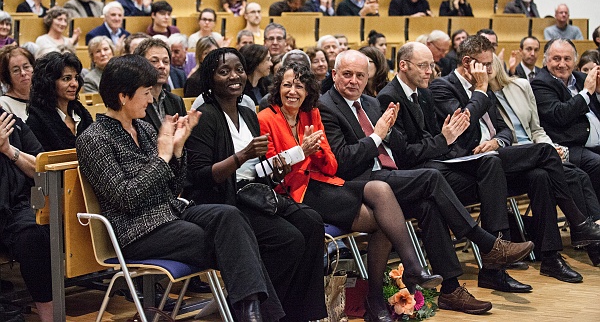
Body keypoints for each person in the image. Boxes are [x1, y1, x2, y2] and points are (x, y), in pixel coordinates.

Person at [76, 54, 281, 322]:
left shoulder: (145, 129)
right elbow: (126, 197)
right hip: (136, 231)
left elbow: (173, 188)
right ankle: (257, 316)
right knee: (233, 241)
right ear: (123, 96)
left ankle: (251, 313)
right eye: (146, 93)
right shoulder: (94, 139)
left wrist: (178, 149)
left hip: (171, 213)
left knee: (230, 216)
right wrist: (163, 157)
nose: (151, 100)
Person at [259, 60, 443, 320]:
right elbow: (271, 172)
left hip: (324, 183)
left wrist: (316, 151)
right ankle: (381, 294)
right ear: (278, 88)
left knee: (380, 190)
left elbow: (331, 165)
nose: (293, 91)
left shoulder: (311, 114)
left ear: (307, 91)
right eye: (287, 85)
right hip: (294, 192)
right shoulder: (266, 118)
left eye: (299, 86)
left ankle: (401, 277)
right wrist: (302, 151)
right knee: (383, 220)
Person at [430, 35, 600, 283]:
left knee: (540, 175)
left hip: (493, 156)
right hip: (465, 162)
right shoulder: (443, 87)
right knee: (545, 151)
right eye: (485, 64)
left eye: (491, 63)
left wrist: (497, 141)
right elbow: (463, 125)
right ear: (467, 62)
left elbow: (504, 129)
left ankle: (550, 257)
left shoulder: (484, 88)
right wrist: (481, 90)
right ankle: (579, 222)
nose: (490, 69)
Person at [377, 42, 538, 292]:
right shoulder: (389, 97)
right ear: (403, 66)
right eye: (423, 66)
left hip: (436, 165)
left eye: (431, 65)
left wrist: (447, 141)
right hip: (415, 174)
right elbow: (405, 154)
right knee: (438, 194)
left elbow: (436, 138)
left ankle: (495, 262)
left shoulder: (424, 93)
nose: (430, 71)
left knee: (491, 165)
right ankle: (490, 250)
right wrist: (444, 140)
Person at [184, 48, 326, 321]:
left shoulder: (248, 113)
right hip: (223, 200)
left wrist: (278, 170)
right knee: (288, 239)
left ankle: (300, 313)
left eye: (238, 70)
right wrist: (242, 155)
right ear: (210, 78)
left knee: (311, 221)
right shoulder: (205, 117)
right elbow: (200, 176)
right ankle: (261, 310)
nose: (234, 76)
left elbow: (257, 170)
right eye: (224, 71)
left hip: (255, 193)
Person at [489, 52, 600, 266]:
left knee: (577, 175)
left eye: (488, 63)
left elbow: (536, 129)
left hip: (539, 153)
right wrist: (546, 151)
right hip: (514, 156)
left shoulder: (520, 86)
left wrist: (550, 147)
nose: (485, 68)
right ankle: (587, 236)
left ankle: (589, 235)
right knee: (570, 174)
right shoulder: (482, 97)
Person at [532, 39, 600, 208]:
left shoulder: (581, 78)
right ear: (546, 60)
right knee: (597, 164)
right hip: (570, 146)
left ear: (575, 61)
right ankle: (595, 218)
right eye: (556, 58)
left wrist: (598, 93)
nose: (562, 64)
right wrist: (587, 92)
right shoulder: (540, 83)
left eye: (567, 59)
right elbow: (559, 115)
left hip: (593, 146)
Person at [0, 109, 52, 320]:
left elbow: (41, 168)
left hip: (16, 206)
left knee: (33, 235)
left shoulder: (12, 123)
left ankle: (50, 317)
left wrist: (8, 149)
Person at [27, 51, 92, 151]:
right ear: (49, 82)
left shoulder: (82, 114)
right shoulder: (36, 121)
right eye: (66, 79)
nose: (74, 84)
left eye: (76, 78)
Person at [130, 38, 186, 132]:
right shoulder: (133, 102)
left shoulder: (176, 101)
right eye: (154, 61)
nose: (162, 66)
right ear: (139, 65)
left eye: (166, 62)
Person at [0, 46, 33, 120]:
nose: (23, 73)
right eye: (16, 70)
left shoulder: (43, 97)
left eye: (26, 67)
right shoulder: (4, 104)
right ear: (8, 76)